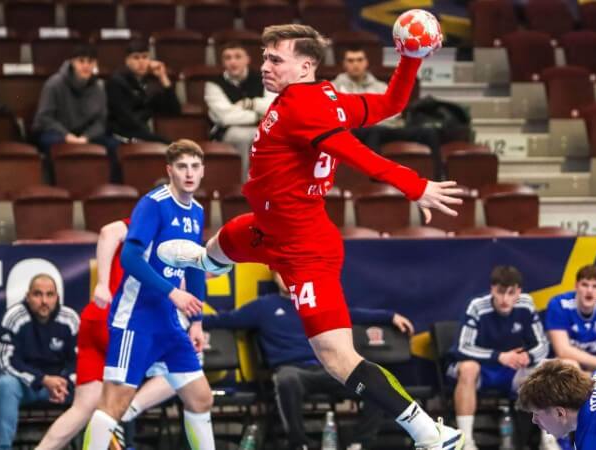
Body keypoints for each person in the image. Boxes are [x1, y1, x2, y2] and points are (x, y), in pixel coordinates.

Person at [157, 24, 464, 450]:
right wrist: (409, 60)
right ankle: (204, 261)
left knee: (337, 357)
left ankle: (428, 431)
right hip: (266, 226)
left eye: (275, 59)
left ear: (305, 66)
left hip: (304, 246)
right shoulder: (326, 98)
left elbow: (356, 154)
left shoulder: (305, 107)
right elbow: (393, 103)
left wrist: (414, 185)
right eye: (264, 58)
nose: (264, 67)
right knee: (216, 247)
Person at [83, 140, 215, 450]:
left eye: (195, 167)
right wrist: (172, 292)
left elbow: (195, 265)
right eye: (182, 167)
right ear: (170, 170)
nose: (189, 173)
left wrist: (197, 321)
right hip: (135, 319)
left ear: (203, 171)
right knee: (115, 404)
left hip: (168, 323)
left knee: (201, 398)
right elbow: (130, 258)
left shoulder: (197, 211)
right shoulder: (153, 204)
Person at [204, 270, 415, 450]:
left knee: (372, 383)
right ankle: (299, 444)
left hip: (329, 369)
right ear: (275, 276)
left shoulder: (315, 303)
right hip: (293, 371)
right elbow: (223, 320)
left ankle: (359, 443)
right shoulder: (263, 307)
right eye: (282, 273)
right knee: (286, 379)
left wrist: (390, 317)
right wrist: (191, 321)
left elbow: (353, 314)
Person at [35, 218, 200, 450]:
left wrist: (103, 284)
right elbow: (107, 231)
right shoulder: (153, 221)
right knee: (185, 366)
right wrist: (102, 283)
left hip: (96, 316)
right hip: (123, 320)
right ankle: (126, 411)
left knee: (83, 407)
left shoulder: (154, 232)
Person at [446, 265, 550, 450]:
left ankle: (548, 439)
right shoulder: (477, 306)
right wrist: (499, 356)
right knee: (468, 368)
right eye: (500, 292)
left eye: (511, 293)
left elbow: (543, 344)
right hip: (482, 370)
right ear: (492, 289)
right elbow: (462, 347)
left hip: (513, 371)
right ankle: (466, 441)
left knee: (546, 369)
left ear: (519, 291)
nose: (505, 299)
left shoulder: (526, 304)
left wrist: (528, 356)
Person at [0, 274, 79, 450]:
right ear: (28, 296)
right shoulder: (14, 316)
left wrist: (65, 383)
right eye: (38, 294)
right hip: (27, 386)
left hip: (61, 387)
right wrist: (43, 380)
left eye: (50, 294)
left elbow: (80, 361)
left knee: (91, 388)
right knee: (5, 384)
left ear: (57, 297)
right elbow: (4, 361)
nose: (44, 301)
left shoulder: (70, 318)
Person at [331, 47, 442, 179]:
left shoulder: (381, 87)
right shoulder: (333, 88)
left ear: (366, 62)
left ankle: (439, 177)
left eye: (359, 60)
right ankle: (377, 180)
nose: (355, 64)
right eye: (351, 60)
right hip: (355, 131)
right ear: (344, 64)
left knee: (429, 132)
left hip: (387, 128)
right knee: (373, 131)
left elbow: (395, 114)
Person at [31, 44, 120, 180]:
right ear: (72, 62)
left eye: (90, 62)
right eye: (81, 61)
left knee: (114, 145)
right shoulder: (54, 84)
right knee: (51, 142)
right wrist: (67, 136)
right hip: (57, 132)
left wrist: (86, 137)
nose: (86, 66)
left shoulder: (99, 87)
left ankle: (108, 185)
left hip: (85, 134)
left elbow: (101, 121)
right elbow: (45, 117)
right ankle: (56, 183)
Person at [204, 42, 276, 175]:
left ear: (247, 59)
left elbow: (274, 107)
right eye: (228, 58)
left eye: (238, 57)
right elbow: (226, 118)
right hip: (228, 131)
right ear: (223, 62)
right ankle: (244, 183)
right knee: (243, 136)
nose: (233, 62)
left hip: (263, 127)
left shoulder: (264, 79)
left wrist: (250, 104)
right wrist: (258, 116)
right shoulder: (213, 84)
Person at [545, 264, 596, 372]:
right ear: (576, 286)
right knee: (569, 365)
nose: (589, 290)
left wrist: (595, 369)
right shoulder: (559, 304)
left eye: (595, 286)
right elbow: (562, 350)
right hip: (570, 360)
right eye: (585, 285)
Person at [106, 39, 181, 144]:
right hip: (120, 134)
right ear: (127, 61)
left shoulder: (151, 83)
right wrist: (150, 136)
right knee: (167, 145)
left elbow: (174, 111)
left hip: (142, 134)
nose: (141, 62)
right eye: (136, 57)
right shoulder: (116, 82)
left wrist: (163, 77)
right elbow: (125, 118)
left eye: (145, 57)